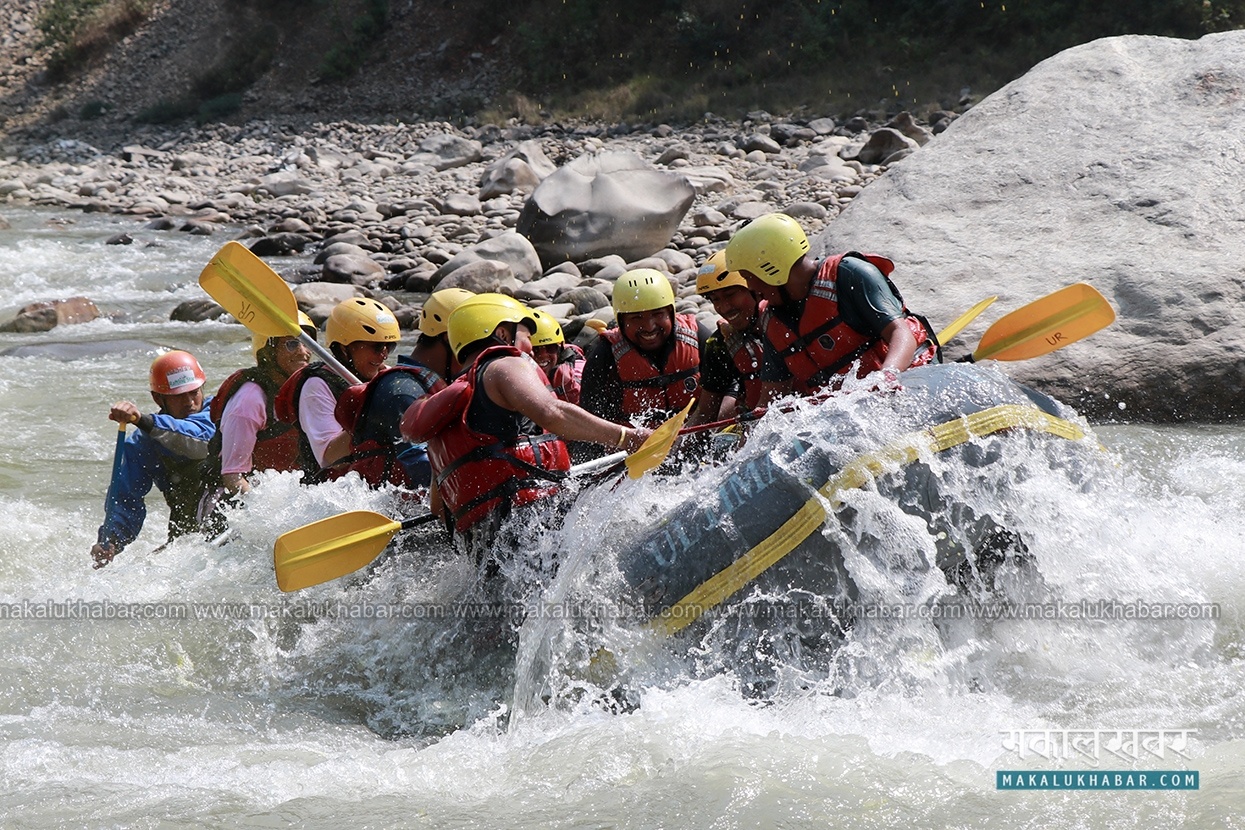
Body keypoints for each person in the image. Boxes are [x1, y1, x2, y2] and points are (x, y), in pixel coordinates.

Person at [401, 293, 654, 560]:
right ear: (502, 332)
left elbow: (438, 507)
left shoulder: (446, 409)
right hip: (536, 528)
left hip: (490, 553)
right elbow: (552, 413)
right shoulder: (502, 365)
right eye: (526, 336)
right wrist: (628, 437)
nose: (531, 349)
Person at [723, 212, 938, 396]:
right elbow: (771, 396)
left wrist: (887, 376)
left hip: (910, 380)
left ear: (771, 268)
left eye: (748, 276)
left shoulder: (849, 274)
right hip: (856, 406)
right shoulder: (772, 320)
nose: (750, 287)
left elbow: (901, 334)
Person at [90, 350, 216, 569]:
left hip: (236, 515)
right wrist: (111, 540)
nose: (189, 402)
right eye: (179, 396)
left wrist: (143, 421)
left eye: (193, 392)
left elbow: (198, 440)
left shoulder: (219, 411)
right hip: (189, 535)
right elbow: (125, 497)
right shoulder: (143, 443)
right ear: (158, 398)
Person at [275, 297, 400, 482]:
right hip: (331, 492)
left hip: (379, 480)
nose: (383, 354)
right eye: (376, 346)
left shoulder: (387, 376)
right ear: (344, 348)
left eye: (389, 346)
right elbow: (328, 457)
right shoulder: (316, 386)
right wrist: (370, 413)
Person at [204, 311, 318, 499]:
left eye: (308, 344)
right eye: (292, 344)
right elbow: (233, 477)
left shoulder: (307, 390)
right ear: (269, 352)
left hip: (281, 495)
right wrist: (270, 512)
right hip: (230, 500)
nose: (303, 351)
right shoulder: (249, 402)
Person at [579, 268, 712, 428]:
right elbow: (589, 421)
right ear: (620, 320)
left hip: (695, 435)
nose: (649, 327)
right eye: (637, 318)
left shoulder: (698, 336)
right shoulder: (605, 355)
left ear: (671, 313)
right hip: (637, 446)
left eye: (657, 314)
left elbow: (730, 389)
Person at [690, 250, 793, 426]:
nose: (724, 307)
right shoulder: (719, 345)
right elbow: (705, 414)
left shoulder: (789, 321)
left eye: (730, 295)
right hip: (758, 424)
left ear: (755, 290)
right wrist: (672, 451)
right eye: (715, 300)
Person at [528, 308, 585, 404]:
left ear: (560, 348)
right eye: (535, 349)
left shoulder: (577, 371)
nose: (543, 355)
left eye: (550, 347)